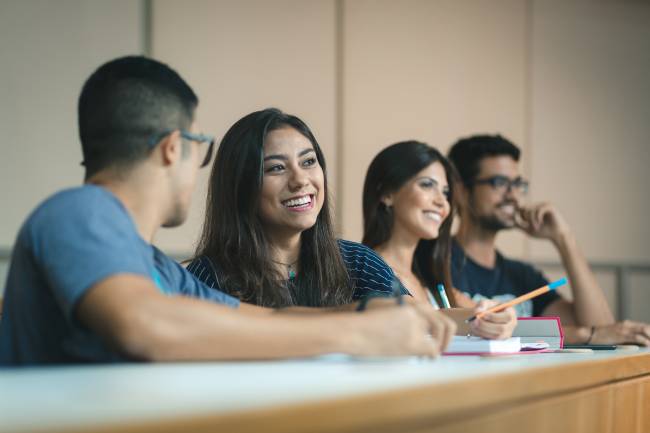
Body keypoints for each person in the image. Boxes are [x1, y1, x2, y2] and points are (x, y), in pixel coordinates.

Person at [0, 56, 455, 365]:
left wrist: (367, 317)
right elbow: (144, 326)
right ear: (172, 149)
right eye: (200, 147)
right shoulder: (79, 212)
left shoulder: (159, 270)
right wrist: (358, 337)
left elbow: (269, 318)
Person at [189, 108, 427, 310]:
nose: (300, 180)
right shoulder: (209, 277)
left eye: (308, 162)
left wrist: (464, 320)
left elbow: (420, 321)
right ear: (240, 186)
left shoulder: (356, 262)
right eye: (276, 168)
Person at [447, 134, 650, 346]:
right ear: (460, 191)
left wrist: (563, 239)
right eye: (500, 183)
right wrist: (584, 335)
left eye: (517, 184)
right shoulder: (435, 264)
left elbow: (602, 329)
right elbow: (592, 333)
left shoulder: (522, 275)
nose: (513, 195)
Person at [362, 141, 517, 339]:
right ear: (387, 193)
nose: (442, 202)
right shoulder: (364, 270)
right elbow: (415, 318)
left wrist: (500, 315)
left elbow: (482, 313)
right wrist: (479, 318)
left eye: (445, 192)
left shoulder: (429, 278)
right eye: (427, 185)